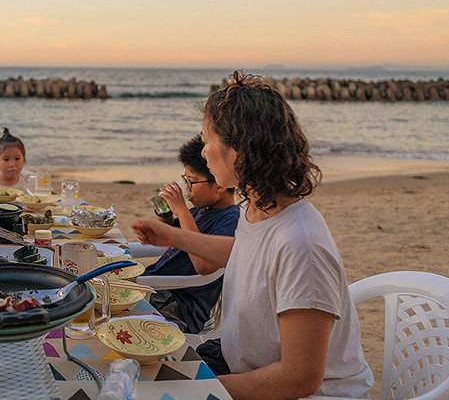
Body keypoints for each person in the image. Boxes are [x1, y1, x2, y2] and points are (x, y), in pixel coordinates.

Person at [132, 72, 373, 399]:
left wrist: (199, 390)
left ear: (238, 151)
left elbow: (299, 378)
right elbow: (246, 252)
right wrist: (174, 237)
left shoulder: (302, 246)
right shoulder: (258, 206)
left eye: (207, 140)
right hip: (242, 366)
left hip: (298, 392)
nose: (203, 152)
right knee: (135, 373)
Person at [142, 136, 239, 333]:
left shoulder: (231, 218)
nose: (187, 188)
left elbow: (205, 266)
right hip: (157, 287)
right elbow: (170, 233)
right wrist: (166, 211)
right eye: (185, 179)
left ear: (219, 185)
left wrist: (182, 210)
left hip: (179, 304)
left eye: (192, 182)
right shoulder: (200, 210)